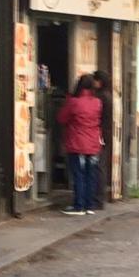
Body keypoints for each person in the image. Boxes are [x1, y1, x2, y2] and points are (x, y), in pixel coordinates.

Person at [56, 74, 103, 216]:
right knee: (91, 175)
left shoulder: (74, 102)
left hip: (77, 143)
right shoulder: (97, 102)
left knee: (79, 175)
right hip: (93, 144)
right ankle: (90, 204)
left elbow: (62, 118)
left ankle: (79, 205)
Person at [91, 70, 112, 210]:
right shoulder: (107, 95)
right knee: (100, 166)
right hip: (104, 134)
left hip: (100, 134)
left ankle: (98, 198)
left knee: (98, 167)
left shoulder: (101, 97)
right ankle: (99, 198)